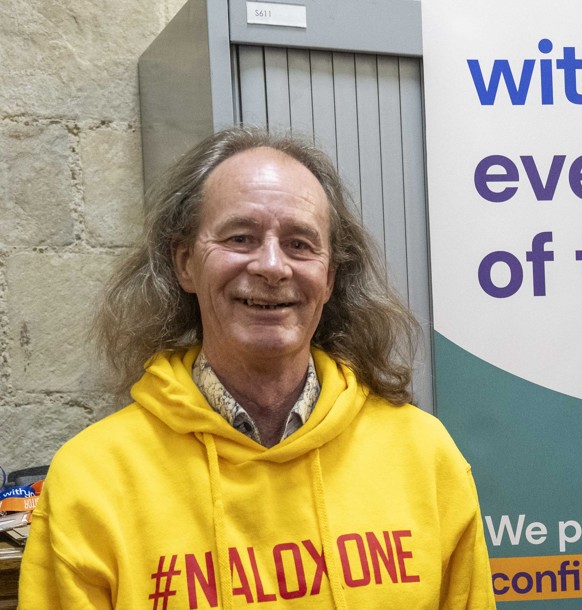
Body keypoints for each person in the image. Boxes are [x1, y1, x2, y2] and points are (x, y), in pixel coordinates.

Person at [19, 127, 496, 609]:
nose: (272, 266)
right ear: (185, 263)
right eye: (241, 237)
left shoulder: (425, 458)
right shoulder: (91, 482)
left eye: (300, 244)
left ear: (329, 278)